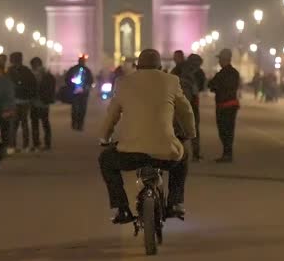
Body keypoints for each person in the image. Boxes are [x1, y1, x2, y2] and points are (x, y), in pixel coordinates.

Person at [98, 49, 197, 222]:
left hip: (130, 153)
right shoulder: (171, 81)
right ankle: (175, 202)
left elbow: (111, 116)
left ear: (137, 67)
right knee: (184, 155)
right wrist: (189, 133)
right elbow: (186, 111)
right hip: (165, 153)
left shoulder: (123, 83)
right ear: (160, 67)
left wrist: (104, 138)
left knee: (105, 159)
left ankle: (121, 208)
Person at [207, 48, 241, 162]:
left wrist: (216, 87)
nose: (219, 61)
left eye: (220, 59)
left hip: (223, 105)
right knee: (229, 130)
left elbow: (211, 85)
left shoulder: (221, 74)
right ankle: (227, 153)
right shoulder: (235, 73)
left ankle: (227, 154)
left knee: (224, 130)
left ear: (224, 59)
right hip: (232, 104)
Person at [171, 51, 206, 160]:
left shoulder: (177, 69)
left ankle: (178, 152)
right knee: (194, 128)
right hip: (193, 103)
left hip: (179, 104)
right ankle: (196, 154)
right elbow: (202, 86)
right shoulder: (198, 71)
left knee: (178, 128)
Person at [5, 52, 37, 153]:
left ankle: (12, 145)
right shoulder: (26, 71)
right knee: (24, 123)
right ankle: (25, 145)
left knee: (13, 124)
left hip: (14, 100)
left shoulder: (9, 71)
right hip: (24, 100)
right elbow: (33, 85)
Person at [29, 57, 55, 151]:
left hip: (38, 102)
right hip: (41, 102)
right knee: (44, 123)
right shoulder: (47, 75)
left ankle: (38, 143)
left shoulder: (33, 75)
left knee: (37, 123)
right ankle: (45, 143)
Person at [63, 55, 94, 131]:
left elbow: (90, 81)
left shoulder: (84, 70)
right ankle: (78, 124)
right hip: (77, 92)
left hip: (81, 92)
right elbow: (67, 79)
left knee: (79, 109)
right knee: (78, 109)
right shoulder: (84, 70)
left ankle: (77, 124)